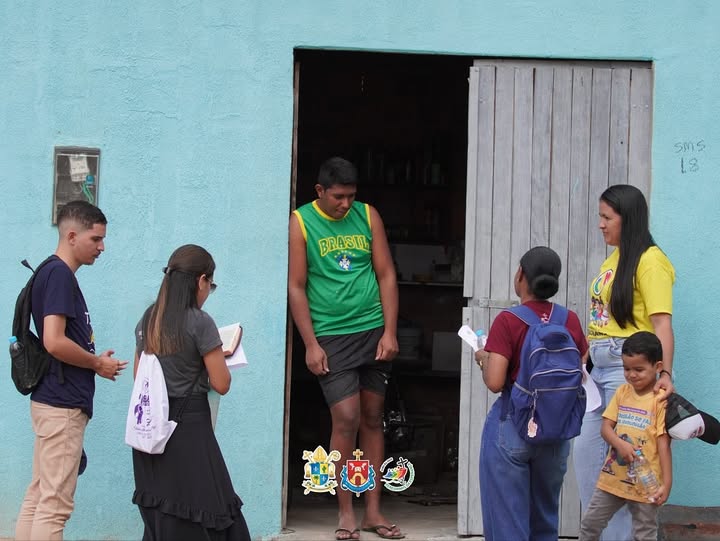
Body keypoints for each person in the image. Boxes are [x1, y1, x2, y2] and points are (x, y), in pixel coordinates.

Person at [288, 157, 401, 541]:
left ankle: (373, 510)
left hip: (372, 331)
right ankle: (346, 510)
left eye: (351, 196)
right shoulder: (301, 222)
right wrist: (310, 344)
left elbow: (386, 274)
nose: (345, 204)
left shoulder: (368, 216)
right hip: (331, 336)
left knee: (372, 416)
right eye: (338, 197)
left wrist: (390, 332)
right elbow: (297, 286)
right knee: (346, 418)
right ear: (320, 191)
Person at [15, 200, 129, 541]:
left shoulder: (50, 272)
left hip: (51, 399)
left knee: (39, 496)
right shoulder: (60, 275)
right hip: (62, 404)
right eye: (96, 239)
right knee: (55, 506)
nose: (102, 247)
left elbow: (59, 341)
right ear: (72, 236)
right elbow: (53, 341)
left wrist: (92, 357)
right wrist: (96, 363)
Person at [573, 184, 676, 540]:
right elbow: (603, 317)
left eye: (607, 217)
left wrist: (664, 373)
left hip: (626, 370)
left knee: (621, 468)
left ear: (627, 219)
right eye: (600, 217)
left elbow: (662, 324)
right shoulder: (614, 259)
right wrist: (588, 354)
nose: (600, 224)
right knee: (587, 456)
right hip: (598, 369)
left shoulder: (651, 261)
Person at [131, 244, 250, 541]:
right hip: (189, 426)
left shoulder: (148, 318)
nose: (209, 290)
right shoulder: (199, 321)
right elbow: (221, 383)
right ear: (201, 280)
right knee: (207, 504)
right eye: (211, 284)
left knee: (165, 509)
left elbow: (139, 377)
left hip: (151, 429)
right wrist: (218, 355)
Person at [475, 246, 588, 541]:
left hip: (513, 426)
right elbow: (581, 367)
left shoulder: (508, 320)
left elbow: (495, 382)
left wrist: (483, 358)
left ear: (520, 275)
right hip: (556, 432)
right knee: (545, 522)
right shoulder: (569, 320)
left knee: (507, 524)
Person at [579, 331, 671, 541]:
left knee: (644, 534)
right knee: (590, 525)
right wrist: (619, 444)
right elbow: (606, 428)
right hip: (613, 479)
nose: (631, 375)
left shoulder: (660, 401)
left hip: (646, 484)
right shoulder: (622, 392)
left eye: (639, 369)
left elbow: (664, 445)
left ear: (658, 367)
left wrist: (666, 484)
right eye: (626, 369)